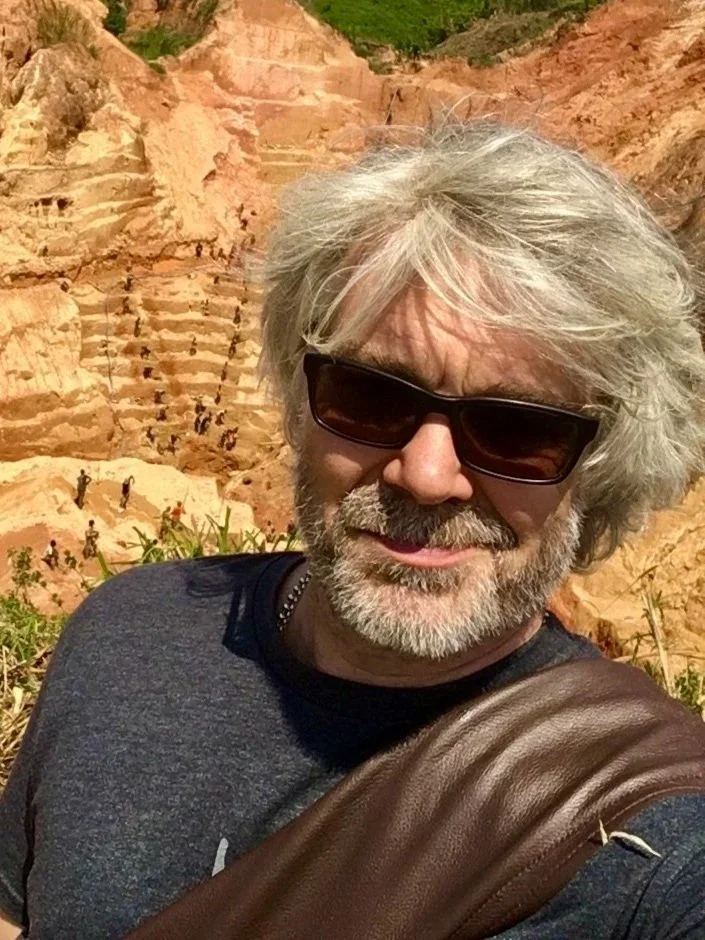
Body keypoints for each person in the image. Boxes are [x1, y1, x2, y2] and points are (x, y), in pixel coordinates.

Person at [3, 120, 705, 938]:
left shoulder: (648, 829)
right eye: (371, 397)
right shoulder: (126, 635)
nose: (427, 474)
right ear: (302, 404)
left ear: (603, 460)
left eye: (517, 430)